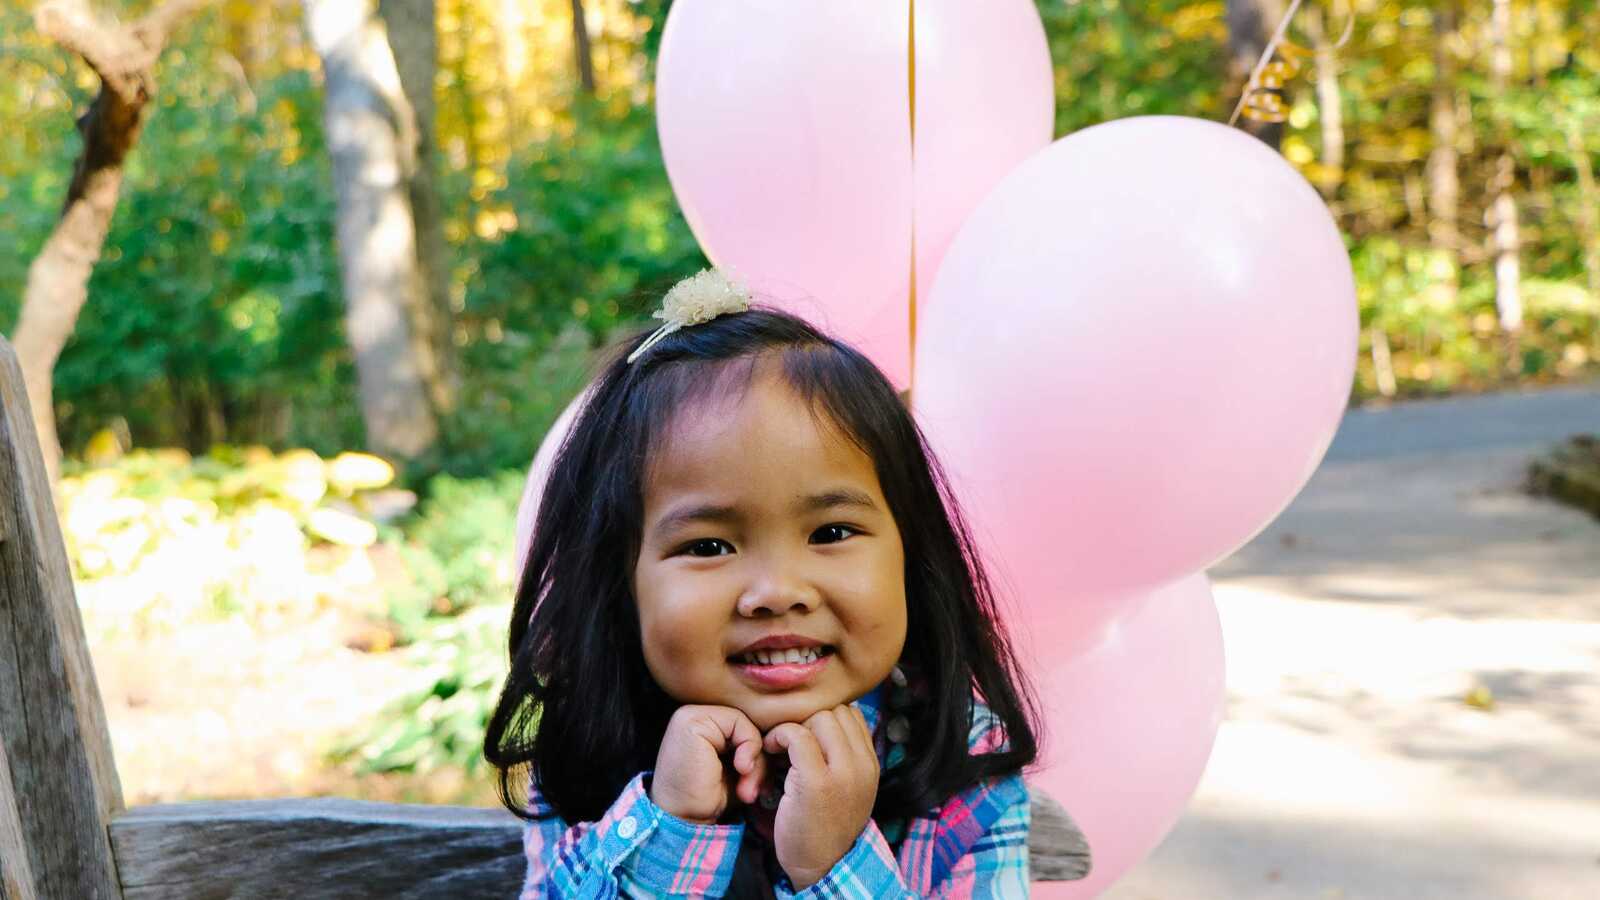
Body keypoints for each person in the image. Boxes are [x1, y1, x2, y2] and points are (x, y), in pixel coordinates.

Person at [483, 269, 1041, 898]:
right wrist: (671, 831)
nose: (777, 591)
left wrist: (834, 864)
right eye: (709, 546)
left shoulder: (966, 757)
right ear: (621, 583)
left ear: (912, 554)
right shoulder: (587, 742)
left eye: (831, 533)